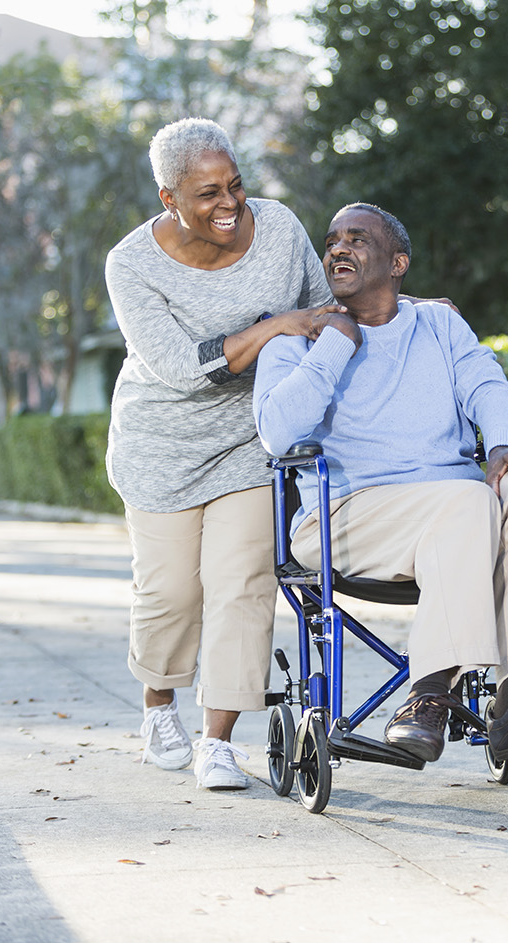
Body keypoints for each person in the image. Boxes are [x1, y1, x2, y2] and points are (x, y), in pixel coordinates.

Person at [252, 203, 508, 764]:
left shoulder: (438, 324)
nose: (338, 249)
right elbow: (276, 433)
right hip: (346, 513)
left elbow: (490, 385)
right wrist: (335, 343)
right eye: (332, 242)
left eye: (357, 240)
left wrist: (499, 445)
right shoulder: (297, 340)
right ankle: (428, 695)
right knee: (469, 498)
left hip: (455, 517)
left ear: (398, 263)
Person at [104, 117, 345, 790]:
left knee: (242, 583)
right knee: (170, 592)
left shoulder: (277, 228)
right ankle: (158, 707)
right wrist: (271, 328)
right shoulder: (131, 264)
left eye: (235, 185)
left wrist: (407, 309)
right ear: (168, 197)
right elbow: (182, 367)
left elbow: (325, 313)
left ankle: (217, 739)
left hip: (249, 437)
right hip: (161, 446)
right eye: (207, 193)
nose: (229, 204)